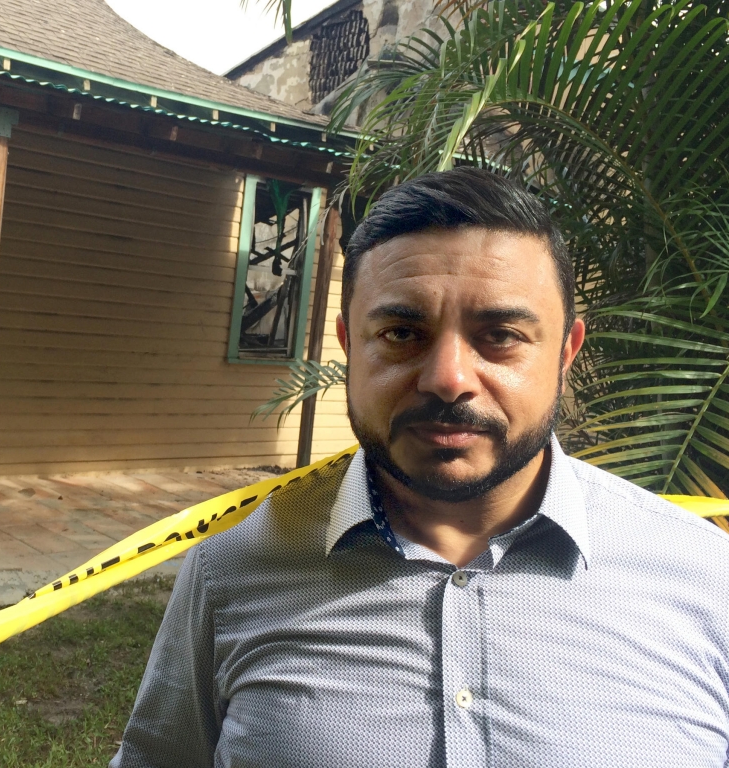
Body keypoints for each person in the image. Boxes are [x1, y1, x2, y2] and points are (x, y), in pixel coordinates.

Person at [110, 168, 729, 768]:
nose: (448, 380)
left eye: (502, 334)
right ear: (350, 347)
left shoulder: (707, 579)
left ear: (565, 352)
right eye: (403, 333)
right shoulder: (231, 568)